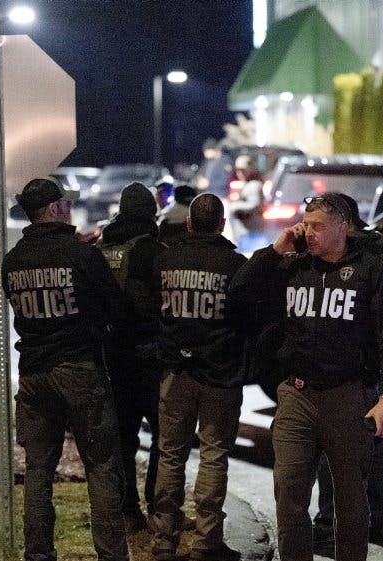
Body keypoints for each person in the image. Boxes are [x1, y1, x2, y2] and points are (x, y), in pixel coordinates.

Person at [230, 192, 383, 561]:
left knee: (350, 501)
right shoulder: (292, 266)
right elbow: (240, 292)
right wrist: (276, 249)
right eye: (305, 225)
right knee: (290, 495)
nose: (309, 234)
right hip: (296, 394)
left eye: (318, 227)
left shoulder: (372, 272)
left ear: (343, 226)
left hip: (348, 396)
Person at [1, 177, 128, 561]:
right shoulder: (82, 256)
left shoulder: (14, 259)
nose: (70, 208)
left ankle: (38, 554)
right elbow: (115, 308)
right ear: (54, 209)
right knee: (102, 466)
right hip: (79, 370)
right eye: (65, 203)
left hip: (34, 373)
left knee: (38, 469)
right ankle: (111, 556)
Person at [147, 193, 248, 561]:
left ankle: (163, 542)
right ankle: (206, 542)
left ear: (189, 223)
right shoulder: (234, 264)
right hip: (219, 374)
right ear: (221, 225)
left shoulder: (166, 260)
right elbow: (245, 318)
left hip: (176, 373)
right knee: (214, 456)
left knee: (170, 456)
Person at [313, 193, 383, 550]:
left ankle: (329, 523)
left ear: (343, 223)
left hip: (354, 375)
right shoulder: (372, 255)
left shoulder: (361, 264)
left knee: (337, 454)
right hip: (367, 372)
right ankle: (381, 522)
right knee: (373, 451)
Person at [97, 182, 166, 534]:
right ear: (151, 212)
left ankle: (127, 510)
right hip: (150, 357)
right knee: (163, 436)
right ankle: (158, 507)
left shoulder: (101, 247)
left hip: (112, 357)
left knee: (122, 437)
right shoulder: (152, 251)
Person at [228, 155, 264, 246]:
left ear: (250, 169)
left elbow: (254, 204)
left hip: (251, 232)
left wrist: (235, 206)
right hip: (245, 232)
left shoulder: (254, 185)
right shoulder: (249, 184)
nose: (240, 173)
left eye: (243, 170)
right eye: (238, 171)